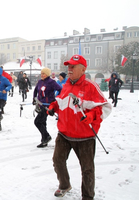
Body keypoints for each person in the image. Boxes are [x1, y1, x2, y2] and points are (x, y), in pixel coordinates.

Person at [46, 55, 112, 200]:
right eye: (68, 66)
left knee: (87, 169)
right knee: (58, 161)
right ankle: (64, 185)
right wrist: (52, 107)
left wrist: (91, 116)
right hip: (64, 133)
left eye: (73, 66)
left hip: (85, 137)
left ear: (83, 69)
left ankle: (88, 196)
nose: (69, 69)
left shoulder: (91, 86)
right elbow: (60, 103)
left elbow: (105, 107)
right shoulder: (66, 85)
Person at [33, 68, 62, 148]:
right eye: (41, 73)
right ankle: (44, 140)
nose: (42, 75)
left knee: (37, 122)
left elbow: (60, 89)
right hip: (40, 105)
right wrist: (34, 99)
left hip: (48, 106)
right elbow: (35, 91)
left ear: (47, 74)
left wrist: (55, 99)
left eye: (44, 74)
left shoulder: (51, 82)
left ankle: (46, 136)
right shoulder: (40, 82)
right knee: (42, 122)